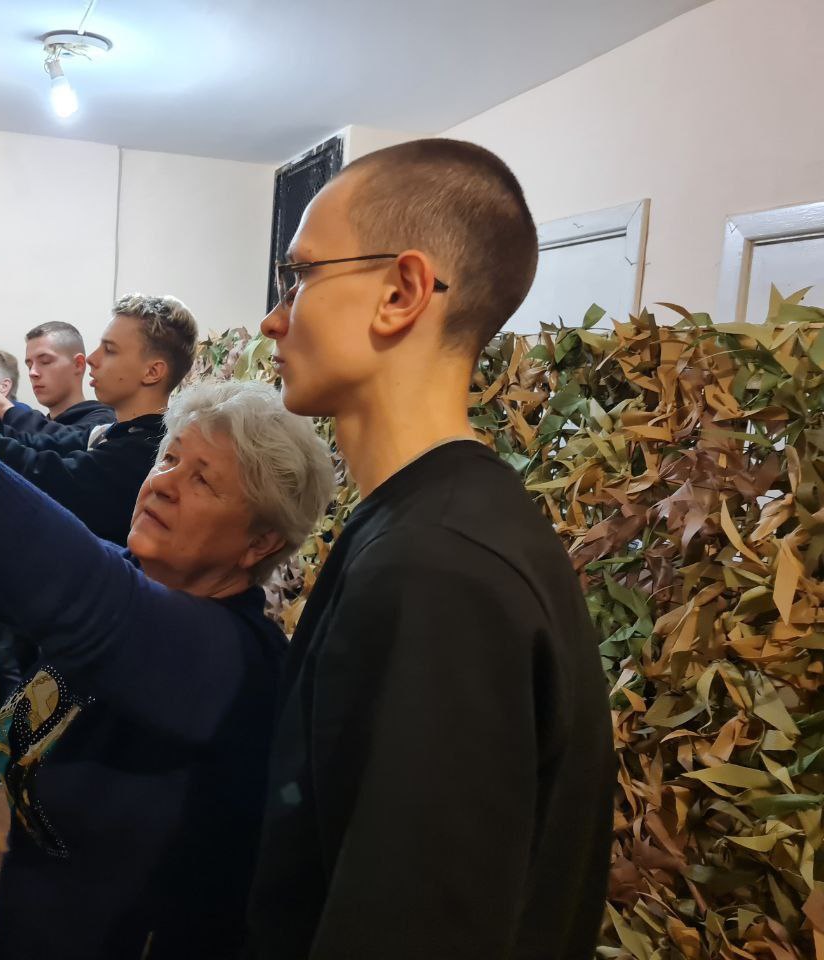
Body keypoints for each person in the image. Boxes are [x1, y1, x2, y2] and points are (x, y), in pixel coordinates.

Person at [0, 263, 335, 959]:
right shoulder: (136, 578)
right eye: (169, 460)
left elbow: (71, 578)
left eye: (204, 480)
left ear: (260, 542)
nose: (165, 485)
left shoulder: (227, 657)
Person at [246, 139, 614, 959]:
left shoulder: (437, 570)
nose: (275, 318)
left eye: (300, 277)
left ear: (401, 292)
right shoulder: (437, 525)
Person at [0, 294, 197, 546]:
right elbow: (35, 443)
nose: (92, 358)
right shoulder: (110, 433)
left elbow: (40, 473)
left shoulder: (145, 451)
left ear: (152, 372)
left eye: (110, 350)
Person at [0, 320, 116, 437]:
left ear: (78, 364)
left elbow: (59, 442)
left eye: (45, 362)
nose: (32, 373)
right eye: (29, 365)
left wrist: (7, 410)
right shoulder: (38, 426)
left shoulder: (103, 423)